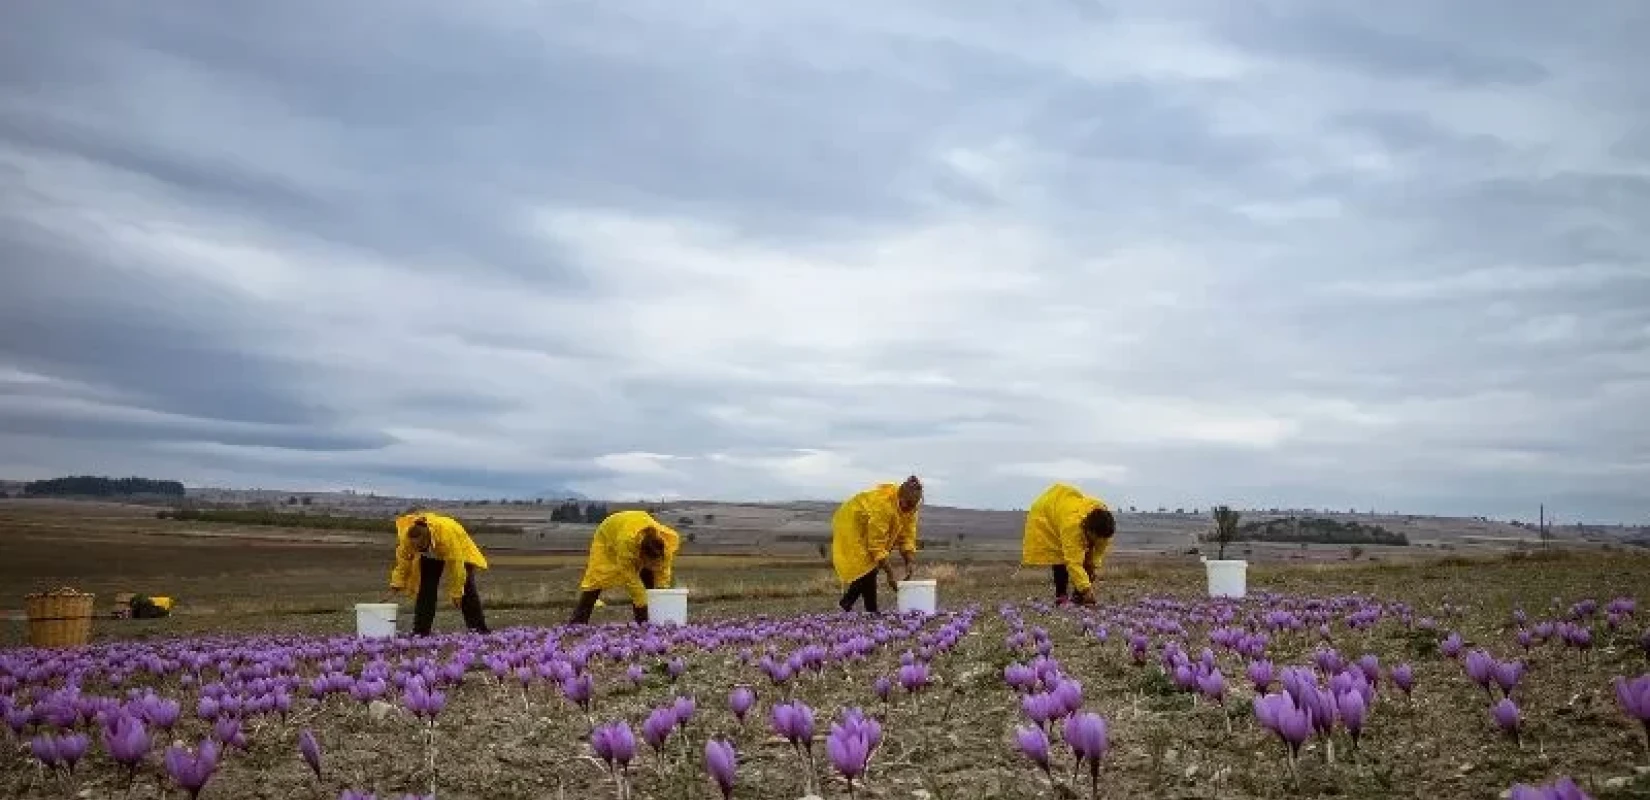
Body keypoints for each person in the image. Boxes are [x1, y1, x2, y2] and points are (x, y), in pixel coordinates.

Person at [831, 475, 923, 613]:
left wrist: (909, 561)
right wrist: (890, 574)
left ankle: (863, 608)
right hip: (853, 523)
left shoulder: (911, 510)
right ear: (900, 496)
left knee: (871, 568)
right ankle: (854, 605)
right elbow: (876, 545)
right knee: (867, 566)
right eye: (906, 503)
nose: (908, 507)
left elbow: (907, 537)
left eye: (912, 505)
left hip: (870, 527)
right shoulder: (884, 506)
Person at [571, 509, 681, 624]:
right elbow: (630, 578)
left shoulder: (664, 545)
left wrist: (661, 591)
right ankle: (578, 622)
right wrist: (642, 603)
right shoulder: (626, 543)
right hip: (608, 534)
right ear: (641, 555)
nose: (655, 566)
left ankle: (645, 624)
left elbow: (663, 571)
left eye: (656, 562)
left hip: (633, 527)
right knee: (597, 578)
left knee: (648, 576)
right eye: (650, 562)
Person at [389, 512, 492, 635]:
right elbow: (404, 560)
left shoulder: (446, 538)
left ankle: (479, 629)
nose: (417, 550)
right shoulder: (408, 538)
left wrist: (456, 593)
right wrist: (398, 582)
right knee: (426, 589)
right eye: (415, 547)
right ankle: (421, 632)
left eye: (421, 547)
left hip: (459, 546)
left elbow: (457, 568)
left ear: (428, 539)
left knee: (466, 588)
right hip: (432, 553)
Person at [1020, 483, 1117, 606]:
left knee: (1088, 561)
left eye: (1100, 539)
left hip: (1067, 505)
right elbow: (1073, 562)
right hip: (1048, 511)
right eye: (1095, 538)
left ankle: (1079, 596)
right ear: (1088, 530)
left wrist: (1092, 567)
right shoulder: (1072, 527)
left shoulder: (1104, 527)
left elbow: (1097, 553)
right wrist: (1086, 589)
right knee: (1059, 555)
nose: (1097, 542)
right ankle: (1061, 597)